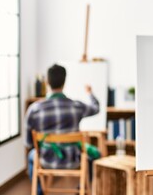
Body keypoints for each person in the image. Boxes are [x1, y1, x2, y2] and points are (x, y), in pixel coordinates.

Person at [25, 64, 100, 195]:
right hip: (73, 160)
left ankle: (38, 192)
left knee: (32, 155)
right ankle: (81, 188)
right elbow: (95, 108)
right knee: (93, 154)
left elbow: (28, 143)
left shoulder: (34, 109)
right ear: (64, 82)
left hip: (45, 159)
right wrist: (90, 93)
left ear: (47, 82)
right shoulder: (76, 106)